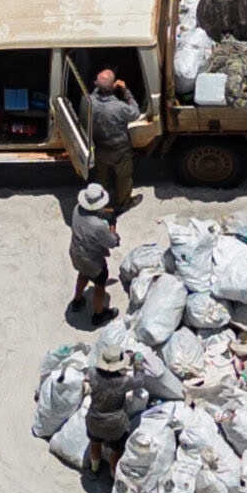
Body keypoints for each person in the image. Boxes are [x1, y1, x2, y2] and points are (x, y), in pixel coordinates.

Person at [84, 342, 143, 478]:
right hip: (115, 425)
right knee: (116, 451)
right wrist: (138, 363)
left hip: (94, 420)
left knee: (95, 443)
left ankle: (94, 470)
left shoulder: (93, 373)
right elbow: (140, 381)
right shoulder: (123, 381)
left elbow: (88, 379)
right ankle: (112, 476)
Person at [85, 69, 138, 216]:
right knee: (123, 177)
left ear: (96, 85)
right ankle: (124, 203)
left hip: (100, 148)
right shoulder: (120, 107)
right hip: (120, 150)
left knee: (101, 175)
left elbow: (95, 93)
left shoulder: (90, 102)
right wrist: (126, 91)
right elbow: (135, 112)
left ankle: (100, 200)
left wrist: (101, 86)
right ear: (114, 85)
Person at [69, 183, 120, 324]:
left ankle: (77, 301)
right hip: (92, 261)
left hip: (76, 252)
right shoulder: (99, 226)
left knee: (82, 273)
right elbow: (112, 242)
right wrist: (112, 224)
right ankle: (99, 314)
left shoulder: (76, 210)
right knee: (99, 284)